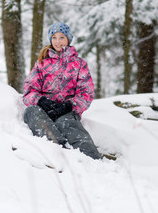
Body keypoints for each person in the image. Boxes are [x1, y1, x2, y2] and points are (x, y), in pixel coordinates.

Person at [22, 22, 102, 160]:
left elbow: (86, 93)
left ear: (68, 39)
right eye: (54, 37)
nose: (58, 42)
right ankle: (59, 149)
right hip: (45, 109)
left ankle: (93, 158)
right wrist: (41, 100)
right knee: (31, 112)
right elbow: (29, 90)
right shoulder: (42, 63)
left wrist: (69, 105)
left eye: (61, 37)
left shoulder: (79, 64)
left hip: (67, 111)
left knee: (65, 123)